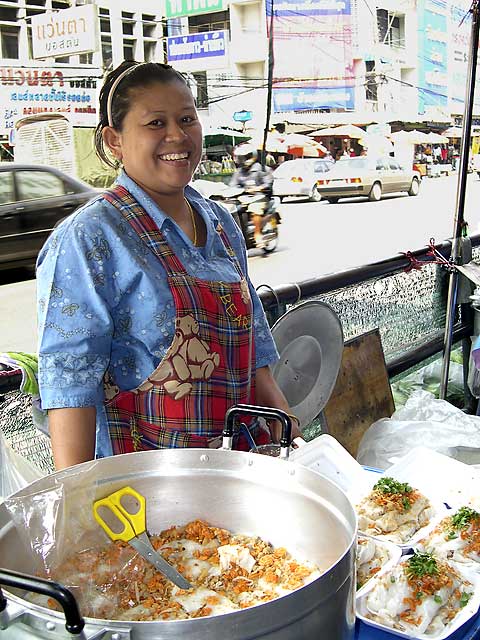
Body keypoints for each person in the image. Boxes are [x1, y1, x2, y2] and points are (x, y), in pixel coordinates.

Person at [36, 60, 300, 470]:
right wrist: (79, 504)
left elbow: (256, 345)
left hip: (242, 463)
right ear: (114, 141)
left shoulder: (221, 222)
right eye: (155, 123)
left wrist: (290, 432)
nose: (177, 135)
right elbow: (71, 382)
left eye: (186, 119)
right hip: (147, 486)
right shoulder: (92, 237)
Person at [230, 143, 275, 248]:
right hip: (243, 198)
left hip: (260, 197)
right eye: (240, 158)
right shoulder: (239, 172)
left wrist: (258, 188)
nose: (241, 160)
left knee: (255, 209)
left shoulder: (262, 169)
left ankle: (257, 234)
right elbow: (232, 185)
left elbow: (268, 183)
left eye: (243, 157)